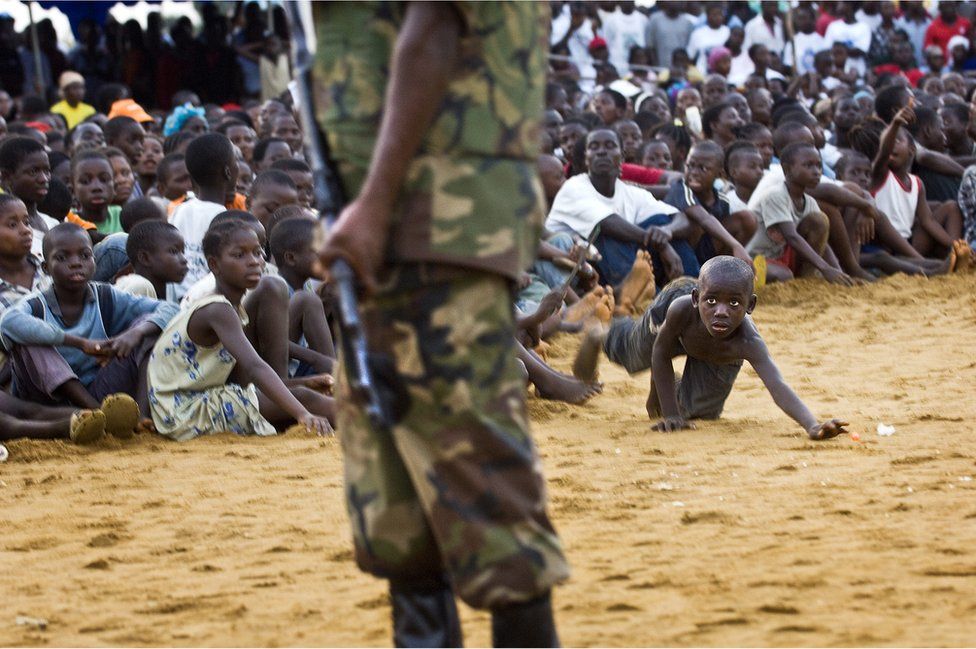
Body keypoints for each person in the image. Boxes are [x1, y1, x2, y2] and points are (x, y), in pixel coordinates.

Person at [315, 3, 567, 646]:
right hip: (390, 234)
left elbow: (435, 26)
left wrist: (372, 205)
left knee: (483, 491)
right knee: (397, 513)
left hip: (431, 224)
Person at [573, 255, 849, 440]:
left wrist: (812, 425)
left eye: (734, 304)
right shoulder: (681, 308)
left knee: (699, 413)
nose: (721, 312)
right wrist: (670, 415)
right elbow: (660, 351)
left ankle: (664, 383)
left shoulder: (748, 342)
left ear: (750, 306)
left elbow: (778, 386)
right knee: (633, 357)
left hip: (715, 354)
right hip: (670, 320)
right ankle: (609, 326)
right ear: (697, 299)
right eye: (712, 301)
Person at [147, 219, 334, 442]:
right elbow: (255, 367)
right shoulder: (218, 309)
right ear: (214, 265)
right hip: (184, 412)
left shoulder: (232, 308)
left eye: (257, 253)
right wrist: (303, 413)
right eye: (239, 255)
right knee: (305, 401)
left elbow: (243, 381)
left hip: (192, 402)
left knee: (303, 394)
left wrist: (303, 382)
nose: (254, 262)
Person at [0, 223, 176, 432]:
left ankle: (140, 414)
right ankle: (98, 413)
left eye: (85, 255)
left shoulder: (106, 296)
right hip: (48, 399)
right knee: (28, 340)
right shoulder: (36, 304)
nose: (76, 263)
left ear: (94, 260)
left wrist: (134, 334)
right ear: (46, 268)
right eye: (62, 258)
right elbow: (8, 322)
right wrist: (80, 343)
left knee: (149, 328)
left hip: (100, 389)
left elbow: (172, 309)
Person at [546, 128, 688, 287]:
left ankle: (690, 290)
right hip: (571, 271)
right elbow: (607, 223)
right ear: (586, 158)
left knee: (660, 223)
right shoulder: (573, 187)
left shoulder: (630, 192)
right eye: (594, 147)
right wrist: (662, 244)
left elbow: (681, 217)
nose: (601, 152)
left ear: (622, 156)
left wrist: (667, 231)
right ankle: (639, 303)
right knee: (608, 235)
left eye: (609, 145)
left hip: (610, 266)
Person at [746, 141, 853, 285]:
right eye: (808, 165)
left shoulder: (809, 202)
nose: (816, 171)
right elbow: (792, 237)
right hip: (756, 260)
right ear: (787, 170)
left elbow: (823, 243)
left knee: (819, 221)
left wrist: (837, 271)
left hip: (784, 258)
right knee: (783, 275)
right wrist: (825, 268)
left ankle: (806, 280)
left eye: (819, 165)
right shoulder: (775, 195)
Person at [169, 133, 238, 302]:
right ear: (228, 172)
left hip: (176, 302)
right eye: (235, 161)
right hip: (208, 304)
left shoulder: (180, 210)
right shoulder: (225, 220)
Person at [268, 216, 336, 377]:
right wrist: (317, 359)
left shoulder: (306, 285)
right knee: (308, 300)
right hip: (277, 372)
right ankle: (337, 377)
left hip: (300, 365)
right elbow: (269, 339)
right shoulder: (274, 289)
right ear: (291, 258)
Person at [0, 136, 57, 263]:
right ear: (6, 177)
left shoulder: (53, 223)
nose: (44, 179)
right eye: (33, 171)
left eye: (47, 171)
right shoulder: (5, 230)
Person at [116, 220, 188, 300]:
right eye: (173, 251)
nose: (184, 260)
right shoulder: (138, 286)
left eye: (183, 252)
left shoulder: (170, 289)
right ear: (145, 258)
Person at [66, 150, 122, 239]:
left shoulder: (121, 216)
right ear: (72, 191)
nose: (97, 187)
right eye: (86, 181)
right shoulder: (68, 221)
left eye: (104, 179)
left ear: (114, 187)